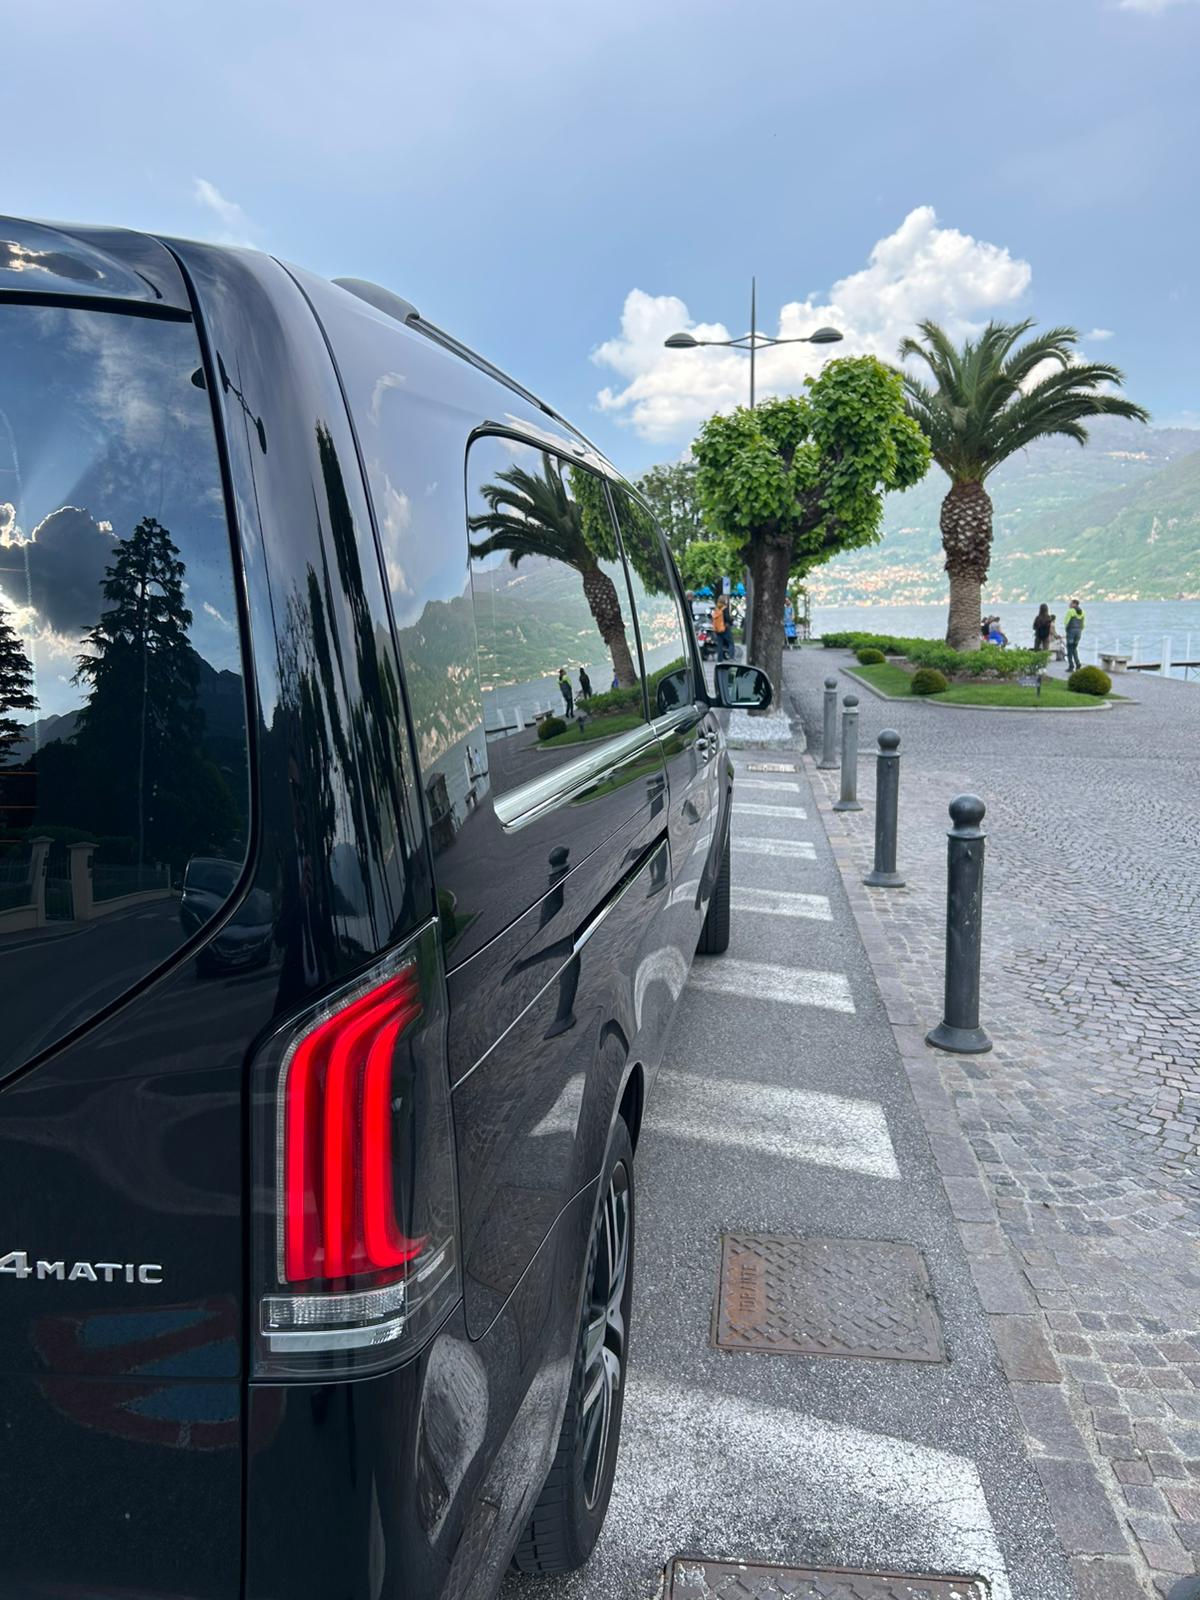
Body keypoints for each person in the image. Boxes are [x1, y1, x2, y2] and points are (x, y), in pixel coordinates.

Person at [1064, 600, 1085, 671]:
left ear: (1074, 604)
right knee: (1074, 648)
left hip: (1071, 632)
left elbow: (1066, 622)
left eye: (1070, 603)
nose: (1069, 604)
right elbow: (1083, 625)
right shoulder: (1083, 612)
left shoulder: (1070, 611)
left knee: (1069, 649)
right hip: (1078, 632)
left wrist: (1067, 630)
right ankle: (1078, 663)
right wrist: (1079, 630)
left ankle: (1071, 666)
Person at [711, 595, 734, 660]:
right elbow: (727, 618)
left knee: (720, 644)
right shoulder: (724, 608)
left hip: (717, 629)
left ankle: (719, 659)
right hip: (725, 628)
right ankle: (731, 657)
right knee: (731, 643)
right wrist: (731, 620)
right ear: (724, 601)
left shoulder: (716, 608)